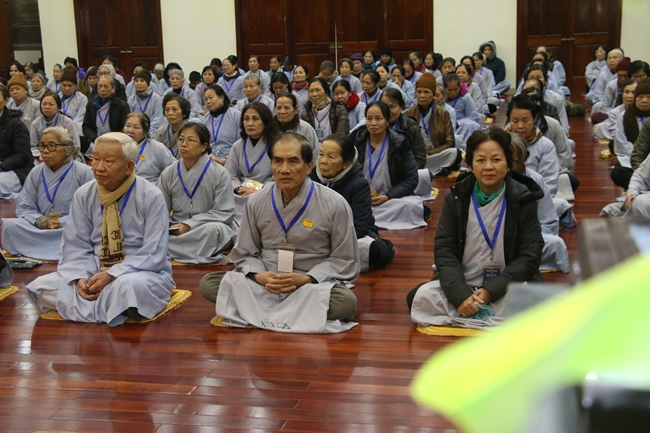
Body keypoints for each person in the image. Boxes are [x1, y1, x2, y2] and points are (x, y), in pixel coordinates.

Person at [199, 132, 359, 333]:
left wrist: (308, 278)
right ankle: (295, 310)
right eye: (278, 161)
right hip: (267, 280)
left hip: (308, 284)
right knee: (209, 284)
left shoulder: (334, 203)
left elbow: (344, 258)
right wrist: (259, 276)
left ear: (309, 166)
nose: (284, 169)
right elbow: (245, 252)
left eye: (293, 161)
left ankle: (259, 308)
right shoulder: (257, 201)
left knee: (345, 303)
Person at [25, 132, 176, 326]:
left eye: (108, 161)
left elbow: (154, 251)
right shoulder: (84, 194)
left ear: (129, 167)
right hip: (94, 270)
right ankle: (114, 306)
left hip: (138, 271)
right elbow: (76, 244)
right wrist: (80, 277)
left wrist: (112, 274)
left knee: (126, 287)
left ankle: (106, 302)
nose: (99, 167)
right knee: (41, 287)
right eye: (96, 159)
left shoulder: (150, 195)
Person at [407, 128, 544, 329]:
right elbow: (445, 250)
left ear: (508, 165)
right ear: (470, 165)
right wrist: (460, 295)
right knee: (417, 297)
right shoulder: (457, 197)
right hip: (465, 282)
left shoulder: (523, 198)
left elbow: (530, 256)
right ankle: (469, 307)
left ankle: (472, 312)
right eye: (480, 160)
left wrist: (490, 291)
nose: (488, 167)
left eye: (496, 160)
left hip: (506, 286)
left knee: (542, 304)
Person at [2, 127, 93, 260]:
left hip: (69, 227)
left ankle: (38, 249)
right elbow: (24, 207)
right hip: (41, 226)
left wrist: (62, 222)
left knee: (84, 231)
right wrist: (40, 220)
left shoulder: (84, 172)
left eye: (52, 146)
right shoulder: (36, 172)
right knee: (10, 226)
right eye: (42, 146)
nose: (45, 151)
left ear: (68, 149)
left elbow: (90, 211)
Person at [310, 133, 394, 271]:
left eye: (331, 157)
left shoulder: (358, 184)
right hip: (315, 234)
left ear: (346, 163)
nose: (323, 161)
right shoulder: (311, 178)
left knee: (369, 249)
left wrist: (326, 239)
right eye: (321, 154)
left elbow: (359, 227)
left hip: (346, 236)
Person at [156, 123, 236, 264]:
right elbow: (160, 209)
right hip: (177, 228)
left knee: (216, 231)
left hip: (204, 227)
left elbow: (224, 212)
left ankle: (174, 250)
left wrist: (190, 225)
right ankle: (195, 251)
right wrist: (170, 227)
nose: (184, 144)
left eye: (190, 140)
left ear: (204, 146)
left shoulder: (219, 173)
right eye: (181, 139)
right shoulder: (169, 173)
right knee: (156, 233)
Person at [351, 101, 424, 230]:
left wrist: (388, 196)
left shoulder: (400, 143)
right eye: (369, 118)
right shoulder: (355, 141)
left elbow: (411, 179)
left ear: (387, 121)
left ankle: (365, 219)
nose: (373, 123)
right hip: (361, 198)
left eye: (378, 118)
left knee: (411, 206)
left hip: (389, 200)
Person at [510, 133, 569, 273]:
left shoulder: (536, 180)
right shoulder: (492, 180)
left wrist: (524, 235)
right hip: (494, 241)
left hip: (526, 238)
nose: (506, 165)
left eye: (512, 161)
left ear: (522, 161)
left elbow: (548, 222)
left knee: (556, 244)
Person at [506, 94, 560, 196]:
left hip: (535, 196)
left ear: (535, 119)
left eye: (525, 121)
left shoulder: (546, 146)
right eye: (515, 121)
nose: (520, 126)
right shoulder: (500, 143)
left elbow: (549, 184)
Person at [403, 76, 459, 174]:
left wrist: (429, 153)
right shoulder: (408, 113)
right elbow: (405, 142)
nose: (422, 95)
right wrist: (420, 155)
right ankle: (437, 168)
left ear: (433, 94)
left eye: (426, 92)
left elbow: (450, 143)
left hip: (435, 154)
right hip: (416, 156)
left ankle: (428, 168)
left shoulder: (443, 113)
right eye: (419, 91)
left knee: (454, 153)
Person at [611, 79, 650, 189]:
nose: (644, 101)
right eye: (640, 97)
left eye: (649, 97)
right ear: (635, 99)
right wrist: (641, 166)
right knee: (617, 173)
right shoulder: (624, 116)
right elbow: (622, 144)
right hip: (634, 160)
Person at [82, 76, 130, 156]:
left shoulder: (122, 105)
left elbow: (125, 127)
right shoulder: (91, 103)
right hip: (96, 141)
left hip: (115, 141)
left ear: (113, 89)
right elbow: (86, 126)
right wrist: (95, 138)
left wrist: (111, 139)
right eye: (100, 86)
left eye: (106, 86)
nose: (102, 89)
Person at [0, 85, 33, 199]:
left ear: (6, 101)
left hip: (14, 169)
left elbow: (22, 154)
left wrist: (2, 166)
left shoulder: (15, 124)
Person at [123, 113, 175, 183]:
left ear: (145, 132)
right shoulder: (117, 146)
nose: (130, 130)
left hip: (150, 187)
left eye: (136, 127)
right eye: (127, 126)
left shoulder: (157, 148)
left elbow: (174, 169)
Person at [30, 91, 82, 160]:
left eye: (51, 104)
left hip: (65, 158)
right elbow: (33, 146)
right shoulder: (35, 123)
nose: (47, 107)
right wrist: (40, 155)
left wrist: (61, 157)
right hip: (43, 157)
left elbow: (75, 146)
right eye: (44, 104)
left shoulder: (69, 123)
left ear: (58, 107)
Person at [381, 88, 425, 168]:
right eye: (385, 106)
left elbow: (420, 158)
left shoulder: (411, 127)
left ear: (401, 107)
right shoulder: (374, 126)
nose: (388, 111)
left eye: (392, 107)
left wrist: (405, 172)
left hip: (405, 170)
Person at [199, 84, 241, 164]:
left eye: (211, 97)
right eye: (206, 99)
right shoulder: (204, 119)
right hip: (210, 161)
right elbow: (202, 144)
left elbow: (241, 144)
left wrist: (227, 160)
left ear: (221, 98)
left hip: (233, 160)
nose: (208, 101)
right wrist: (210, 157)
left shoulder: (236, 116)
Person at [300, 77, 349, 144]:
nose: (314, 94)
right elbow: (302, 139)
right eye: (311, 91)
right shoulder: (305, 113)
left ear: (326, 92)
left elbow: (342, 135)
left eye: (318, 90)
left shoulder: (339, 109)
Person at [444, 73, 481, 148]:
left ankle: (466, 147)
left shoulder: (465, 97)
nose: (453, 93)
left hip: (460, 128)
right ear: (444, 89)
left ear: (460, 88)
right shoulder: (441, 98)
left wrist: (458, 123)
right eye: (449, 90)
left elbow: (474, 116)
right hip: (444, 128)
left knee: (473, 125)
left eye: (455, 89)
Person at [591, 57, 631, 124]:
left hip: (630, 114)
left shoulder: (633, 85)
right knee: (596, 116)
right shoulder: (611, 85)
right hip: (613, 112)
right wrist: (615, 114)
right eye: (620, 76)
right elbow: (605, 106)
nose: (622, 79)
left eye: (625, 76)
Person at [127, 70, 165, 135]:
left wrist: (145, 132)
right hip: (135, 132)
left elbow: (158, 120)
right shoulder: (131, 99)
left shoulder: (156, 98)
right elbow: (130, 118)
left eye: (142, 81)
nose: (139, 83)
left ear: (148, 83)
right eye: (136, 81)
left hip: (153, 133)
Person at [155, 94, 192, 159]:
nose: (170, 113)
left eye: (174, 109)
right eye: (167, 110)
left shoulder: (192, 132)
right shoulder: (161, 132)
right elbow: (156, 154)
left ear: (184, 113)